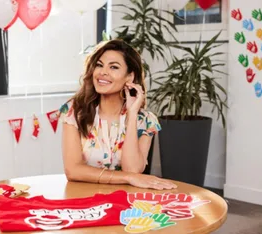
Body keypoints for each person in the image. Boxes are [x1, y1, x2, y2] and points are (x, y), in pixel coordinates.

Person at [60, 39, 177, 190]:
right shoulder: (74, 112)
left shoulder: (146, 121)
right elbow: (73, 171)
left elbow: (133, 170)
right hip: (81, 200)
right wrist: (128, 178)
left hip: (125, 202)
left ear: (129, 77)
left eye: (114, 67)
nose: (103, 72)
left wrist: (132, 114)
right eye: (99, 65)